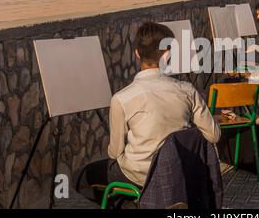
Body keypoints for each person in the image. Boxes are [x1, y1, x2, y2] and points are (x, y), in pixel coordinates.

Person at [74, 22, 221, 206]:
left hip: (139, 174)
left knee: (79, 177)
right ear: (168, 54)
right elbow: (214, 135)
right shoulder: (187, 90)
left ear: (137, 53)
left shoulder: (122, 98)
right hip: (179, 170)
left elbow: (115, 151)